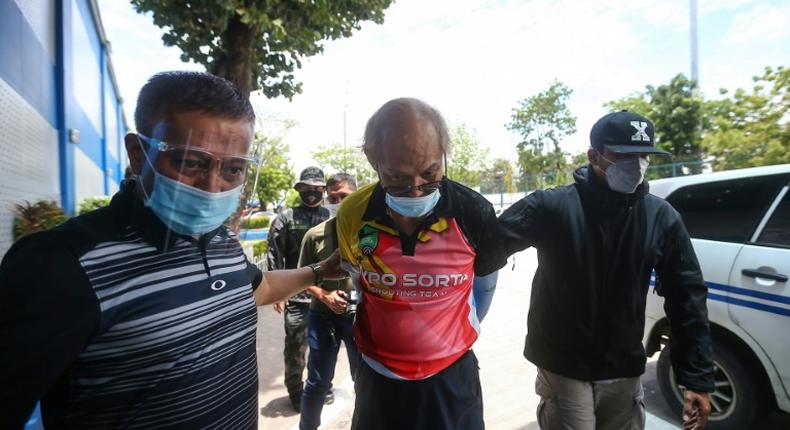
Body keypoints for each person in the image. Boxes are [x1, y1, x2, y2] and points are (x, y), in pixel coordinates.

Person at [0, 71, 345, 430]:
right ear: (138, 153)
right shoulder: (59, 265)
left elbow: (261, 288)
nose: (212, 186)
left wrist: (321, 270)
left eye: (233, 169)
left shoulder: (222, 240)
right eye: (190, 162)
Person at [498, 111, 714, 430]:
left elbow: (688, 298)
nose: (636, 164)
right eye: (623, 155)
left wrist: (696, 377)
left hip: (623, 364)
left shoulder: (661, 217)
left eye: (643, 156)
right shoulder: (552, 207)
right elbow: (486, 245)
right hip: (564, 364)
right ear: (593, 156)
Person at [335, 97, 505, 429]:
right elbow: (359, 282)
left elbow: (483, 291)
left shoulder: (474, 212)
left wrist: (444, 339)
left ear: (443, 154)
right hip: (377, 377)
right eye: (396, 177)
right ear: (374, 162)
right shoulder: (352, 213)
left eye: (429, 173)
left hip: (451, 376)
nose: (415, 191)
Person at [298, 173, 360, 430]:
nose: (337, 201)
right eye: (332, 197)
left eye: (344, 196)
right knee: (317, 382)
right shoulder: (314, 235)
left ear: (355, 195)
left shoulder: (370, 232)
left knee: (365, 380)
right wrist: (325, 295)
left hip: (360, 317)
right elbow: (302, 278)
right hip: (322, 316)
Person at [267, 167, 332, 410]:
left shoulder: (332, 216)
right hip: (296, 297)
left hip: (327, 296)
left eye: (317, 189)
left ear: (323, 190)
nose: (312, 193)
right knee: (295, 347)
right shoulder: (285, 218)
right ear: (299, 189)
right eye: (306, 188)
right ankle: (295, 392)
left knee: (326, 346)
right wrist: (277, 291)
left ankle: (324, 386)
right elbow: (274, 253)